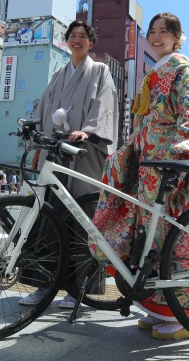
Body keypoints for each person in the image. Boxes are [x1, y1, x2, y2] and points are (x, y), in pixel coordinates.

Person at [90, 12, 189, 340]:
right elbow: (145, 122)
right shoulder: (154, 73)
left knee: (176, 234)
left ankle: (182, 315)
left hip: (173, 161)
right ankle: (155, 307)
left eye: (165, 31)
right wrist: (128, 152)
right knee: (150, 235)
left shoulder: (180, 68)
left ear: (178, 37)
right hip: (152, 163)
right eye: (153, 31)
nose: (157, 36)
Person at [20, 19, 118, 310]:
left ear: (91, 42)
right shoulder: (59, 74)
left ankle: (79, 290)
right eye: (72, 36)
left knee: (79, 220)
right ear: (66, 41)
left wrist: (88, 131)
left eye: (83, 36)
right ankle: (42, 285)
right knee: (47, 218)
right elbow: (44, 110)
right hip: (55, 152)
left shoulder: (100, 71)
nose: (77, 40)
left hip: (83, 153)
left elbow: (105, 106)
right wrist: (37, 142)